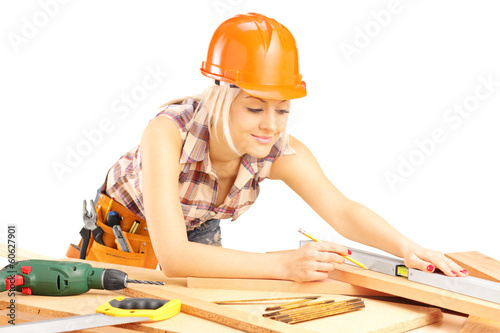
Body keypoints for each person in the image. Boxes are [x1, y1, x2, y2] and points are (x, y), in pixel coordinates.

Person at [102, 13, 468, 281]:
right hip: (125, 229)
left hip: (195, 228)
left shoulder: (276, 149)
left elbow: (341, 211)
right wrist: (283, 265)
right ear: (219, 99)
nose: (271, 125)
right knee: (118, 314)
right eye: (255, 107)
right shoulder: (167, 133)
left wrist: (406, 248)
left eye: (283, 109)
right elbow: (176, 256)